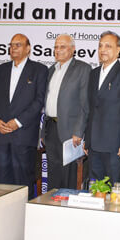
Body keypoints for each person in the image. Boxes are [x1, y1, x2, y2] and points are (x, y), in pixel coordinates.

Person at [0, 33, 47, 198]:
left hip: (24, 135)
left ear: (28, 48)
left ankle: (24, 219)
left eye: (18, 44)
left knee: (23, 182)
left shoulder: (39, 70)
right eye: (12, 44)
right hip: (2, 134)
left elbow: (39, 101)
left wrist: (18, 122)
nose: (13, 48)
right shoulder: (1, 70)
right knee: (2, 184)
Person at [85, 31, 120, 185]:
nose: (103, 50)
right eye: (100, 46)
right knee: (97, 190)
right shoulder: (93, 74)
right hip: (94, 146)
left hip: (116, 146)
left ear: (118, 50)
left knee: (116, 192)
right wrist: (87, 140)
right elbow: (91, 109)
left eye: (108, 46)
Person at [42, 34, 91, 190]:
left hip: (70, 133)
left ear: (73, 49)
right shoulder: (51, 70)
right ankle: (52, 206)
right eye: (56, 47)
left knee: (69, 176)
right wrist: (43, 132)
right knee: (53, 174)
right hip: (50, 129)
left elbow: (85, 104)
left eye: (62, 46)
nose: (58, 50)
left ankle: (66, 211)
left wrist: (79, 131)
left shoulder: (83, 69)